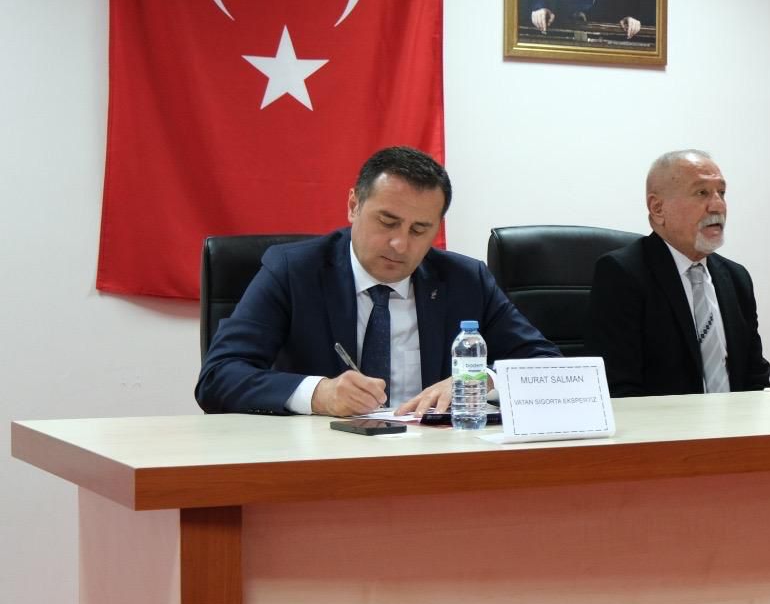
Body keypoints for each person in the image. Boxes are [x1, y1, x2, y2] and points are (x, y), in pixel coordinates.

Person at [196, 146, 559, 416]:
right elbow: (219, 376)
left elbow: (549, 367)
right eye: (387, 222)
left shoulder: (465, 280)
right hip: (322, 461)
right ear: (354, 205)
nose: (400, 244)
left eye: (419, 229)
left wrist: (481, 380)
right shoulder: (295, 271)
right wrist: (319, 394)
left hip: (437, 457)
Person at [587, 150, 770, 397]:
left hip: (736, 420)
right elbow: (619, 388)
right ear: (658, 208)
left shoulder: (736, 278)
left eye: (721, 192)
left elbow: (756, 379)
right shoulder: (623, 274)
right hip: (662, 422)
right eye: (702, 193)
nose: (718, 205)